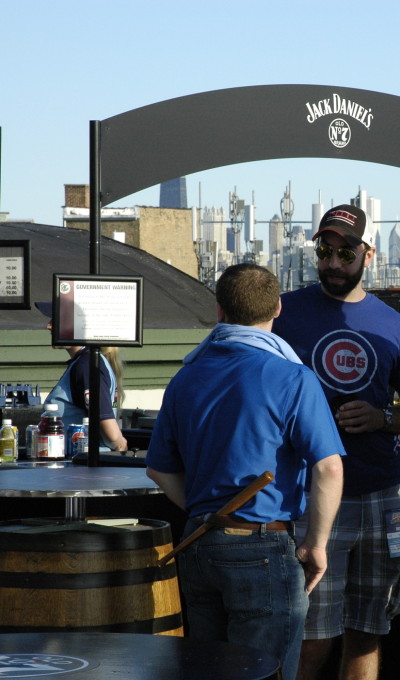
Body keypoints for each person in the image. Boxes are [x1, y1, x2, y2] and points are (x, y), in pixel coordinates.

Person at [145, 263, 345, 680]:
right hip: (262, 548)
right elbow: (328, 467)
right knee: (265, 673)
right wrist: (316, 544)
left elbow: (159, 471)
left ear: (219, 312)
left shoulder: (185, 377)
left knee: (208, 672)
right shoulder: (292, 377)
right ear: (277, 309)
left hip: (199, 545)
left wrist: (207, 511)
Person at [273, 204, 400, 680]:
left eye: (345, 252)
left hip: (382, 496)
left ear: (368, 254)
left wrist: (385, 422)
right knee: (312, 635)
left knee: (367, 630)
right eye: (325, 251)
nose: (334, 262)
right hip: (312, 498)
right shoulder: (284, 311)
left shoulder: (392, 323)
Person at [36, 301, 128, 451]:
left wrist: (120, 453)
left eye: (55, 320)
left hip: (84, 470)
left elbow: (113, 437)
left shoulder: (86, 366)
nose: (49, 326)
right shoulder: (84, 362)